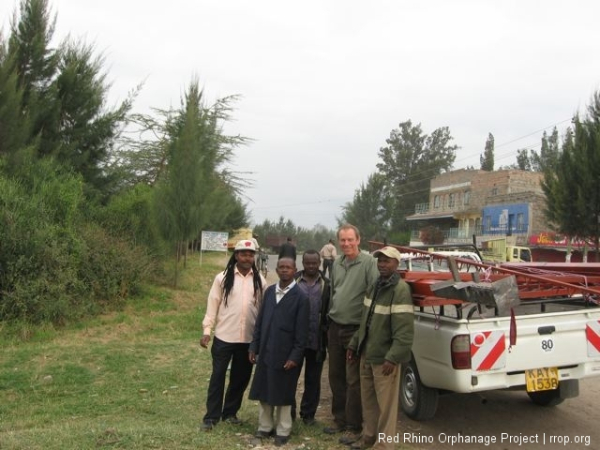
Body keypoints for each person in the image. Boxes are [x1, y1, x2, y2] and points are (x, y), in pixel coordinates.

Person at [346, 246, 414, 450]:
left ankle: (384, 445)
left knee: (386, 407)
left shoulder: (400, 290)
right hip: (367, 353)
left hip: (385, 359)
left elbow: (404, 331)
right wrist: (354, 344)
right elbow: (365, 322)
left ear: (397, 264)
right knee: (368, 401)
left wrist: (393, 357)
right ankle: (369, 438)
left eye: (387, 261)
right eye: (380, 260)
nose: (382, 264)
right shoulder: (375, 286)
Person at [200, 239, 267, 431]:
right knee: (218, 377)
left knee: (240, 378)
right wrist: (207, 331)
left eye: (250, 254)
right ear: (236, 255)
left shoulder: (259, 280)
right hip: (224, 338)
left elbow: (262, 311)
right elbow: (212, 305)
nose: (247, 258)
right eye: (243, 254)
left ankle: (230, 413)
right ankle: (211, 417)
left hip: (247, 340)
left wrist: (259, 339)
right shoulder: (222, 278)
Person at [324, 224, 379, 446]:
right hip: (335, 326)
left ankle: (354, 425)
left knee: (353, 379)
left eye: (350, 240)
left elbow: (373, 296)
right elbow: (335, 291)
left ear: (358, 239)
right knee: (335, 375)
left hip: (355, 329)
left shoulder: (368, 263)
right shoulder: (336, 263)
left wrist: (365, 331)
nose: (346, 244)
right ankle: (339, 418)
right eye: (342, 240)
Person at [249, 257, 309, 447]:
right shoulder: (269, 293)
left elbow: (302, 333)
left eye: (288, 268)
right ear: (276, 269)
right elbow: (259, 323)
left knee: (284, 392)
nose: (284, 270)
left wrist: (295, 356)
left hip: (285, 354)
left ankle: (283, 429)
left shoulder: (301, 298)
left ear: (295, 270)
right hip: (266, 350)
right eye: (281, 267)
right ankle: (265, 427)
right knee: (264, 389)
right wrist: (254, 346)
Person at [292, 250, 331, 425]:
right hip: (295, 341)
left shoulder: (327, 284)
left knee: (313, 380)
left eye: (314, 263)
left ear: (320, 263)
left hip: (317, 340)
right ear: (303, 262)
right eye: (308, 263)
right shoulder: (293, 281)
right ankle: (289, 412)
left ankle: (308, 414)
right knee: (290, 378)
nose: (311, 266)